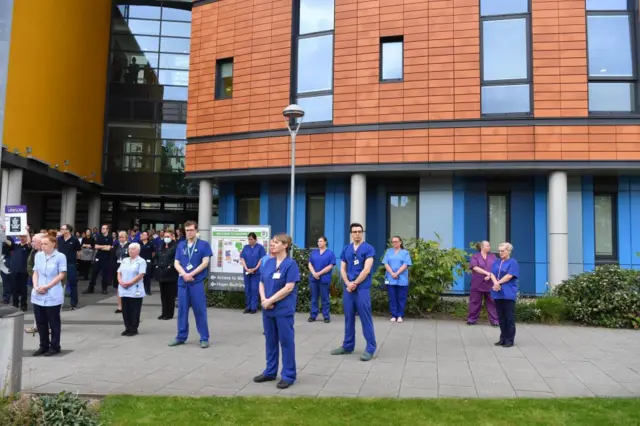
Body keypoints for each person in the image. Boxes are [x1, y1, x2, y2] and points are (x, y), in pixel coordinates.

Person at [253, 233, 300, 389]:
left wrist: (270, 300)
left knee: (286, 342)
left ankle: (288, 375)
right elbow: (261, 283)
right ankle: (270, 371)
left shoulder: (290, 264)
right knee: (270, 342)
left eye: (276, 242)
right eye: (272, 242)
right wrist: (263, 300)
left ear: (285, 245)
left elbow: (289, 288)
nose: (272, 245)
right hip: (268, 309)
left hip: (283, 310)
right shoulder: (268, 263)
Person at [331, 223, 377, 361]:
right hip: (349, 288)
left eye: (359, 231)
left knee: (365, 318)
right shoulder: (346, 249)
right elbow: (343, 268)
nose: (357, 233)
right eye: (354, 231)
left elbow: (367, 269)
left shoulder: (368, 249)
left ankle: (370, 348)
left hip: (361, 288)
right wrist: (347, 283)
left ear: (362, 233)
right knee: (348, 317)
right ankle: (348, 346)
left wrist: (355, 283)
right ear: (351, 233)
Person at [169, 220, 212, 349]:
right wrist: (184, 274)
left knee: (200, 311)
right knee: (182, 311)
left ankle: (204, 338)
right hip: (183, 282)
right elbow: (176, 263)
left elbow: (205, 262)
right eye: (187, 230)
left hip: (196, 282)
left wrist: (191, 274)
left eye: (191, 230)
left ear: (196, 231)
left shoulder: (204, 245)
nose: (189, 232)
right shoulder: (181, 245)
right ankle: (181, 336)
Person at [31, 233, 67, 356]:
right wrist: (36, 286)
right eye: (42, 244)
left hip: (52, 292)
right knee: (41, 322)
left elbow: (61, 274)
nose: (43, 246)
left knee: (53, 322)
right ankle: (43, 345)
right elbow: (35, 272)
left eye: (46, 244)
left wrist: (47, 286)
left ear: (53, 244)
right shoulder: (38, 256)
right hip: (38, 293)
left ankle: (55, 346)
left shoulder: (60, 256)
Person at [490, 242, 519, 348]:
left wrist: (498, 283)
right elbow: (492, 273)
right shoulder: (496, 262)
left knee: (509, 317)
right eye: (499, 251)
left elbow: (509, 275)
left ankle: (510, 339)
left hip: (508, 293)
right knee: (501, 317)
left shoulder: (513, 262)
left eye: (503, 251)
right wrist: (495, 283)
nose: (500, 253)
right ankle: (502, 338)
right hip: (497, 292)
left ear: (508, 251)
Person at [117, 242, 147, 336]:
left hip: (135, 289)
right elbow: (119, 272)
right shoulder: (125, 260)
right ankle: (127, 327)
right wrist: (120, 281)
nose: (130, 251)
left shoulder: (141, 261)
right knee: (125, 310)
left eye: (133, 249)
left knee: (134, 310)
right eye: (129, 249)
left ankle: (133, 328)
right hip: (124, 288)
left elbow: (141, 274)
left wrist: (130, 283)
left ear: (138, 251)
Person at [468, 241, 499, 327]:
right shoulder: (475, 256)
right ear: (482, 247)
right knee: (474, 302)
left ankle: (495, 321)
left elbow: (495, 268)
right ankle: (471, 319)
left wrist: (490, 275)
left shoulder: (493, 256)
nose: (489, 247)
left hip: (490, 283)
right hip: (477, 283)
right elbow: (474, 267)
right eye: (487, 245)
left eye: (489, 245)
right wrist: (487, 273)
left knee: (492, 302)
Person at [383, 236, 412, 323]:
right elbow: (385, 263)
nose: (394, 243)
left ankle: (399, 315)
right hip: (390, 278)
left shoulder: (405, 252)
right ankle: (393, 315)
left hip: (401, 278)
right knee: (392, 297)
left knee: (401, 297)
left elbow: (406, 264)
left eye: (396, 241)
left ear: (400, 242)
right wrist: (392, 273)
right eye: (393, 242)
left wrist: (397, 273)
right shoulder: (389, 251)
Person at [307, 236, 336, 323]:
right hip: (314, 278)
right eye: (318, 241)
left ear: (325, 242)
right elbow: (310, 264)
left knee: (325, 298)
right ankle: (313, 315)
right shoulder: (314, 253)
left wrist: (319, 273)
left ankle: (326, 316)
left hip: (324, 279)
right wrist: (314, 273)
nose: (319, 243)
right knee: (314, 298)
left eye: (321, 241)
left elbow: (330, 266)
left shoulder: (330, 253)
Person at [240, 232, 266, 314]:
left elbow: (261, 259)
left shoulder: (260, 247)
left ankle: (254, 307)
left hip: (256, 272)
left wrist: (255, 268)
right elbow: (242, 258)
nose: (250, 241)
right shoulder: (245, 247)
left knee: (254, 289)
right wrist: (246, 268)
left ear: (255, 239)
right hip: (247, 271)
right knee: (247, 289)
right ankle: (248, 307)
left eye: (251, 239)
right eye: (249, 239)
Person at [57, 224, 81, 310]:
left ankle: (73, 303)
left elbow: (79, 251)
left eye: (63, 229)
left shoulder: (74, 240)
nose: (61, 230)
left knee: (72, 283)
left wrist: (76, 260)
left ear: (68, 230)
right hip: (60, 264)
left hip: (71, 263)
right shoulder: (59, 239)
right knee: (59, 283)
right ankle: (58, 302)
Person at [155, 229, 178, 320]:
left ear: (172, 237)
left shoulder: (175, 247)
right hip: (161, 274)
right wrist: (156, 265)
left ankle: (169, 314)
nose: (166, 238)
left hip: (171, 274)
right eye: (165, 236)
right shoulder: (161, 246)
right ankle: (163, 312)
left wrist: (170, 266)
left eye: (168, 236)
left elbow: (176, 259)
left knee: (170, 295)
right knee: (163, 295)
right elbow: (156, 257)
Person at [6, 233, 32, 311]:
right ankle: (15, 304)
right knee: (14, 289)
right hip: (14, 270)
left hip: (23, 271)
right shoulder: (15, 246)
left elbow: (30, 242)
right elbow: (6, 241)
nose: (22, 238)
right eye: (21, 236)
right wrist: (5, 231)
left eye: (24, 236)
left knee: (23, 289)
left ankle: (23, 305)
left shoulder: (28, 247)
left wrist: (27, 231)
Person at [25, 233, 45, 334]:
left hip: (47, 284)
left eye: (34, 241)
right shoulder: (34, 252)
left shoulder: (49, 253)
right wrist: (35, 277)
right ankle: (36, 326)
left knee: (48, 307)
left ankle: (48, 327)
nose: (32, 243)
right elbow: (30, 266)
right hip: (36, 281)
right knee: (36, 305)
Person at [85, 224, 113, 295]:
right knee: (94, 272)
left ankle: (104, 289)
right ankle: (90, 288)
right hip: (98, 257)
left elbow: (109, 248)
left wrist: (103, 247)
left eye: (104, 228)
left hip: (106, 258)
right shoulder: (99, 236)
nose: (102, 229)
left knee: (105, 274)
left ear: (107, 230)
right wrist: (105, 246)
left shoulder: (110, 238)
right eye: (102, 228)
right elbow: (96, 246)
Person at [112, 231, 130, 314]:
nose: (121, 238)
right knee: (119, 288)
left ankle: (127, 306)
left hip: (127, 268)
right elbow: (113, 256)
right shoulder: (116, 245)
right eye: (120, 237)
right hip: (118, 267)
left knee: (127, 286)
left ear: (126, 237)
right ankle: (120, 306)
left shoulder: (130, 246)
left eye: (123, 237)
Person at [139, 231, 155, 295]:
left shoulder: (150, 243)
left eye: (145, 235)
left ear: (148, 236)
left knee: (147, 276)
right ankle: (140, 290)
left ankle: (147, 290)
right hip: (140, 262)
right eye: (143, 235)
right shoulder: (139, 243)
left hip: (148, 261)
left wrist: (150, 259)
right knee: (140, 276)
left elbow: (153, 253)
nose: (144, 236)